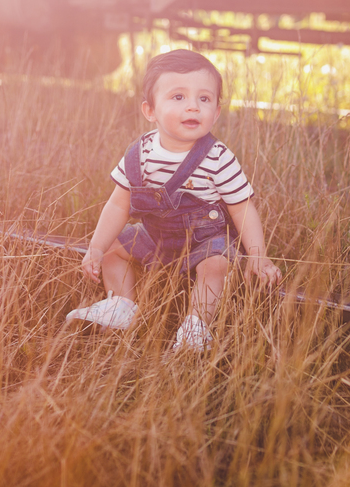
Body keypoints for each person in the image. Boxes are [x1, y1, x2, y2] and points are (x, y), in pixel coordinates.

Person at [66, 49, 282, 351]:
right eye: (178, 97)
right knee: (115, 249)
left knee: (215, 266)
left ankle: (196, 325)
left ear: (216, 111)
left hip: (205, 240)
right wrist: (97, 247)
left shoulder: (218, 158)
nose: (193, 107)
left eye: (204, 99)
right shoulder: (138, 154)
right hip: (156, 238)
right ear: (150, 110)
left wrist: (257, 254)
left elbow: (242, 207)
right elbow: (119, 204)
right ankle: (121, 305)